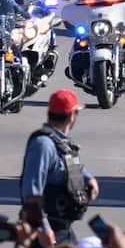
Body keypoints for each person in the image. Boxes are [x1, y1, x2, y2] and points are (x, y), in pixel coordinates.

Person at [20, 90, 99, 239]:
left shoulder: (61, 142)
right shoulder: (43, 145)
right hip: (48, 232)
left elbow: (65, 166)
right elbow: (31, 192)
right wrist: (44, 228)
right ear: (71, 116)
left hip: (63, 228)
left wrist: (88, 178)